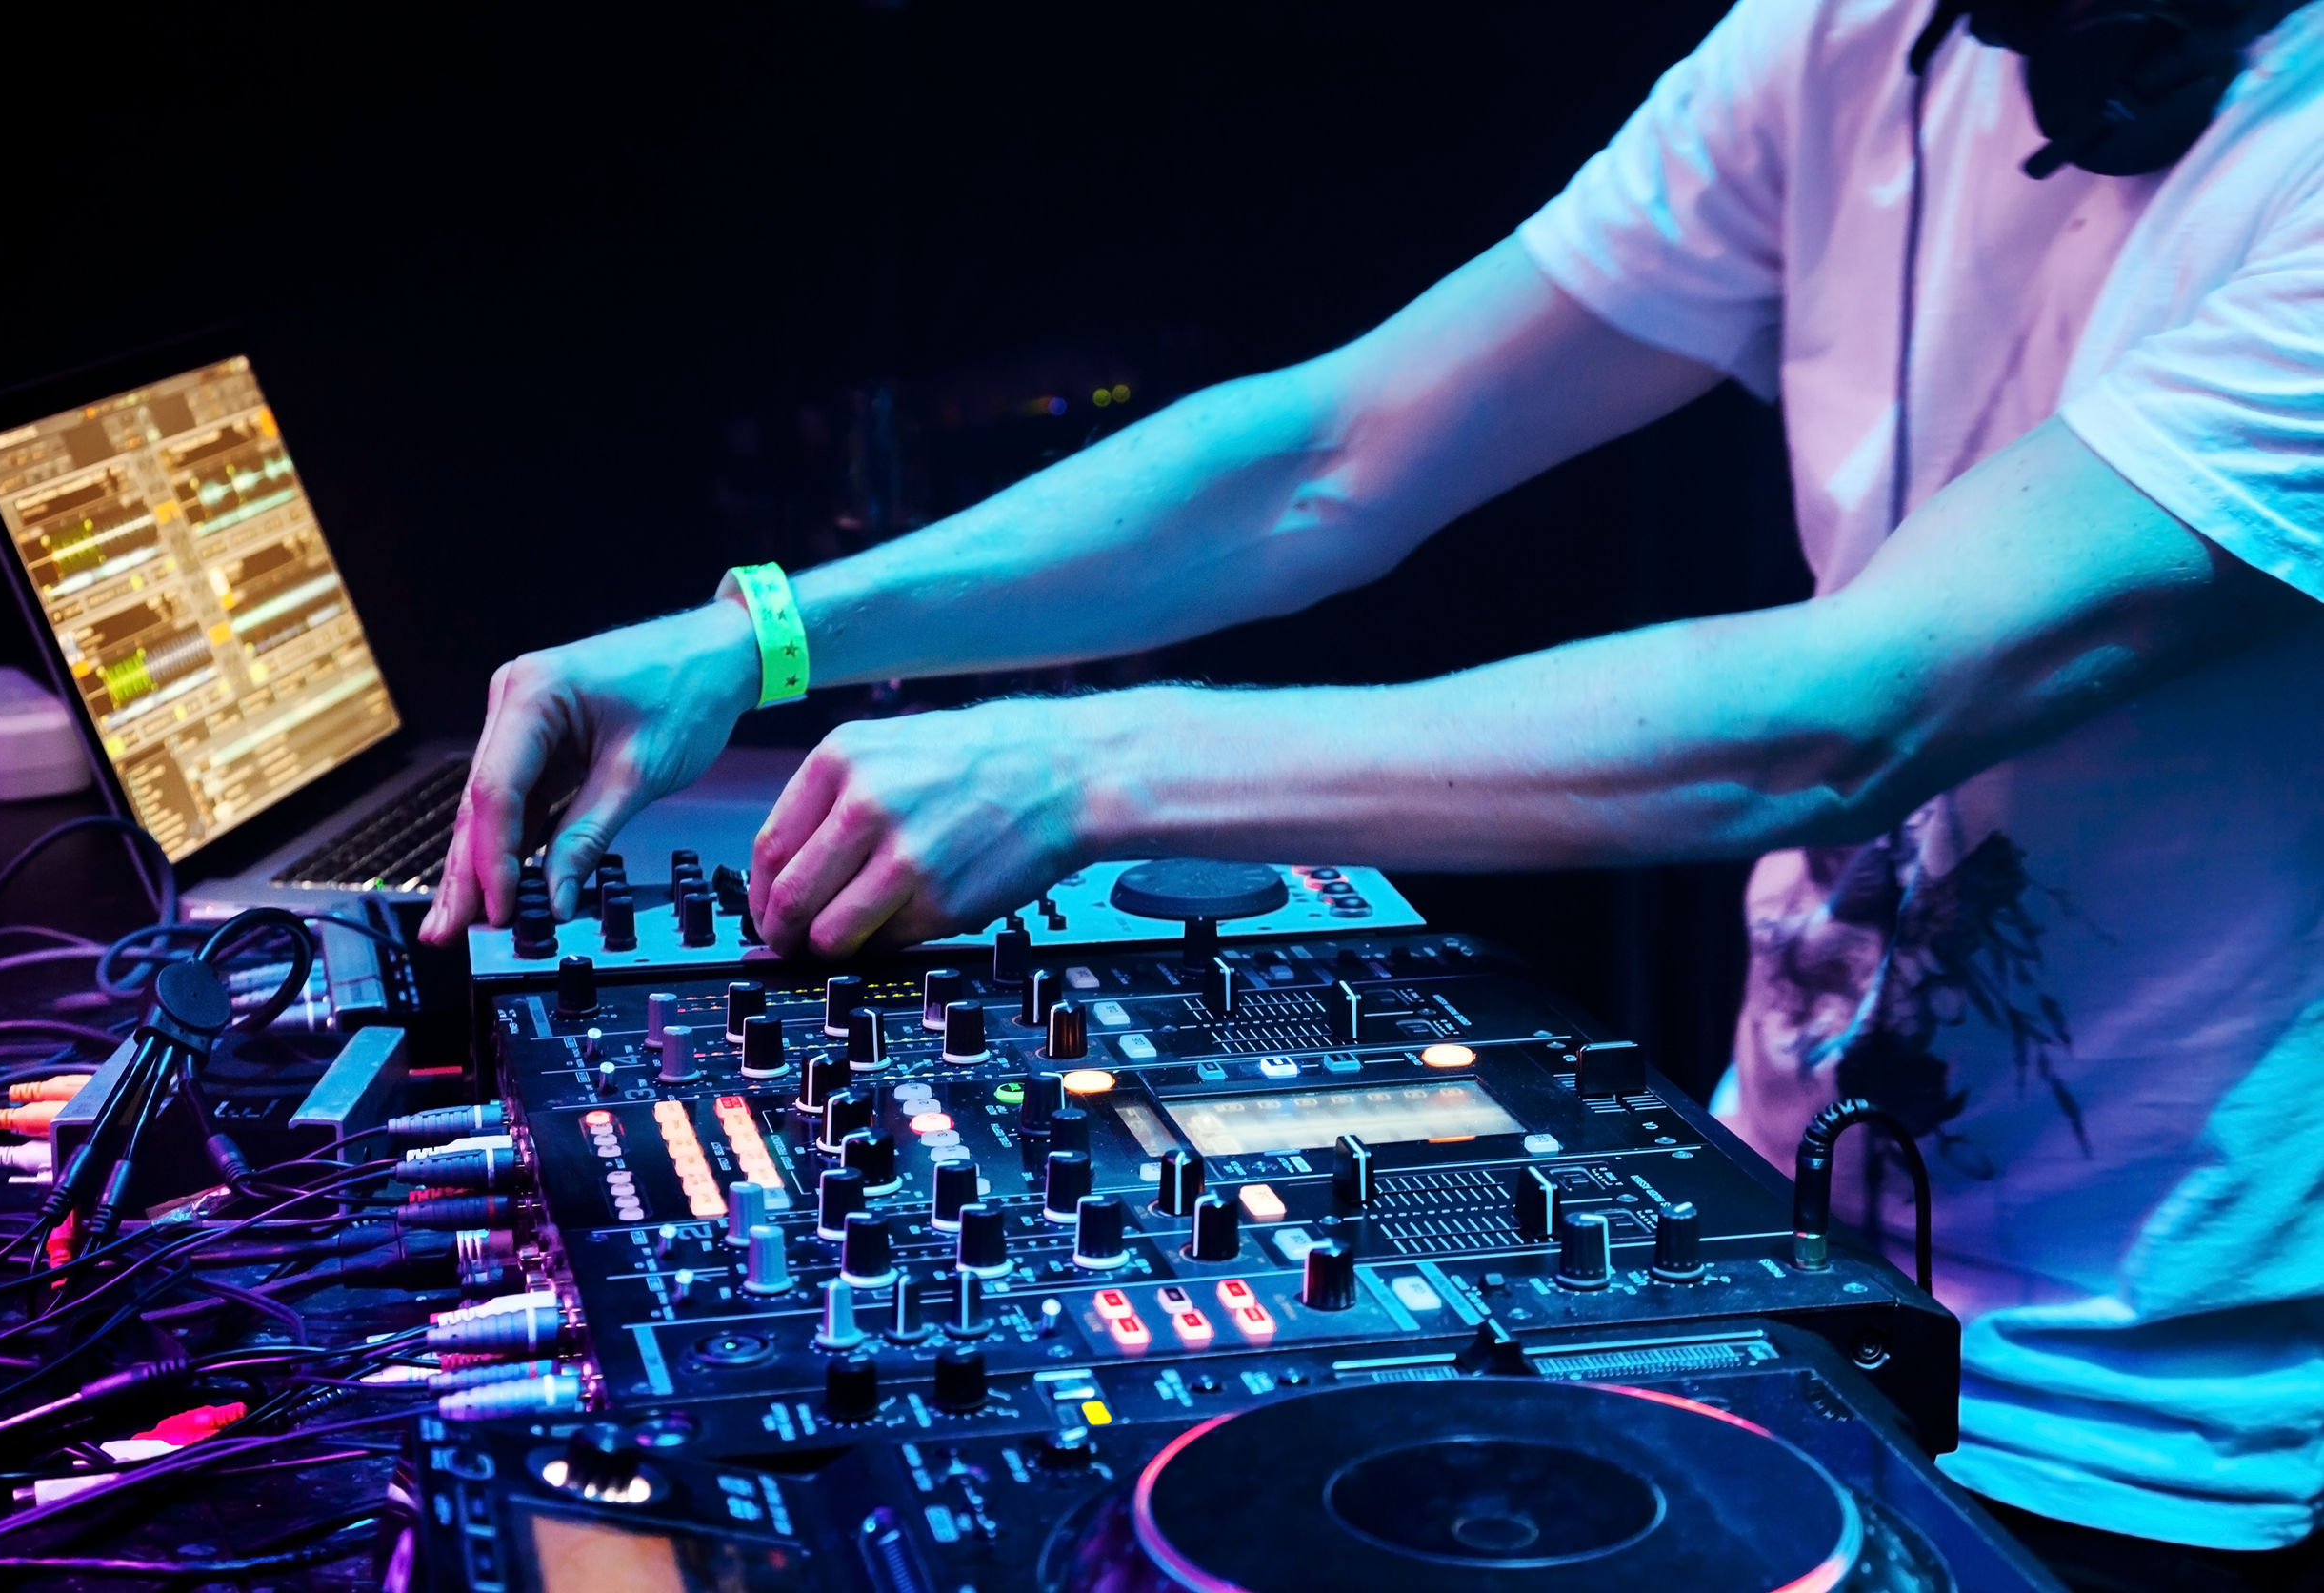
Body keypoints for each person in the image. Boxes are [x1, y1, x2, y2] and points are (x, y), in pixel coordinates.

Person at [423, 0, 2324, 1580]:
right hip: (1774, 1291)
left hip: (2139, 1434)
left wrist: (1093, 763)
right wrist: (759, 634)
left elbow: (1846, 718)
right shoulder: (1853, 38)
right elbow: (1334, 455)